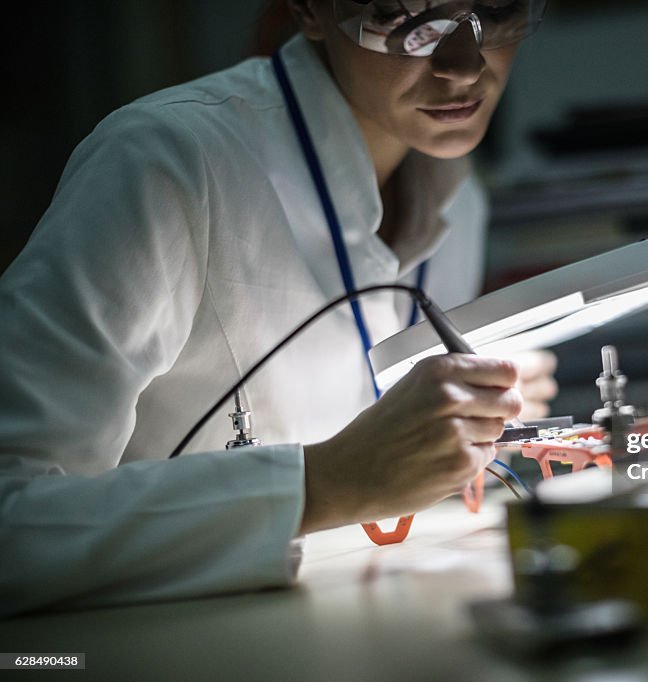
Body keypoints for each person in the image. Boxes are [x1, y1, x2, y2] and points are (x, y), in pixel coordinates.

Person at [0, 0, 554, 616]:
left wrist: (458, 422)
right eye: (402, 17)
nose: (462, 66)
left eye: (498, 10)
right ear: (309, 11)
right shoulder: (167, 161)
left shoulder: (457, 195)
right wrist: (320, 486)